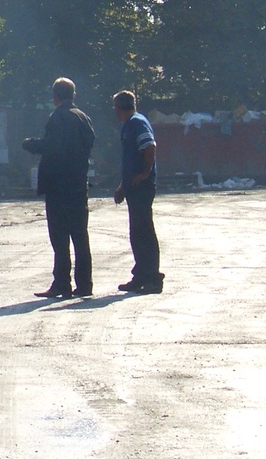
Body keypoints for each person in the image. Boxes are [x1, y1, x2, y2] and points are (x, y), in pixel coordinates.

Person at [22, 77, 96, 298]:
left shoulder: (58, 117)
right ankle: (84, 284)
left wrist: (31, 144)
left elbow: (52, 147)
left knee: (60, 237)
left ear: (55, 96)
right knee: (80, 236)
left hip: (58, 185)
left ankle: (62, 283)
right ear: (73, 94)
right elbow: (89, 143)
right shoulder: (83, 117)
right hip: (78, 184)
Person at [112, 90, 164, 294]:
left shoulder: (136, 123)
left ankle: (153, 278)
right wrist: (123, 186)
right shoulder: (131, 124)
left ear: (117, 108)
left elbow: (149, 147)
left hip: (142, 187)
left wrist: (144, 174)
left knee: (144, 232)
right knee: (136, 232)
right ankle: (140, 275)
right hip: (133, 186)